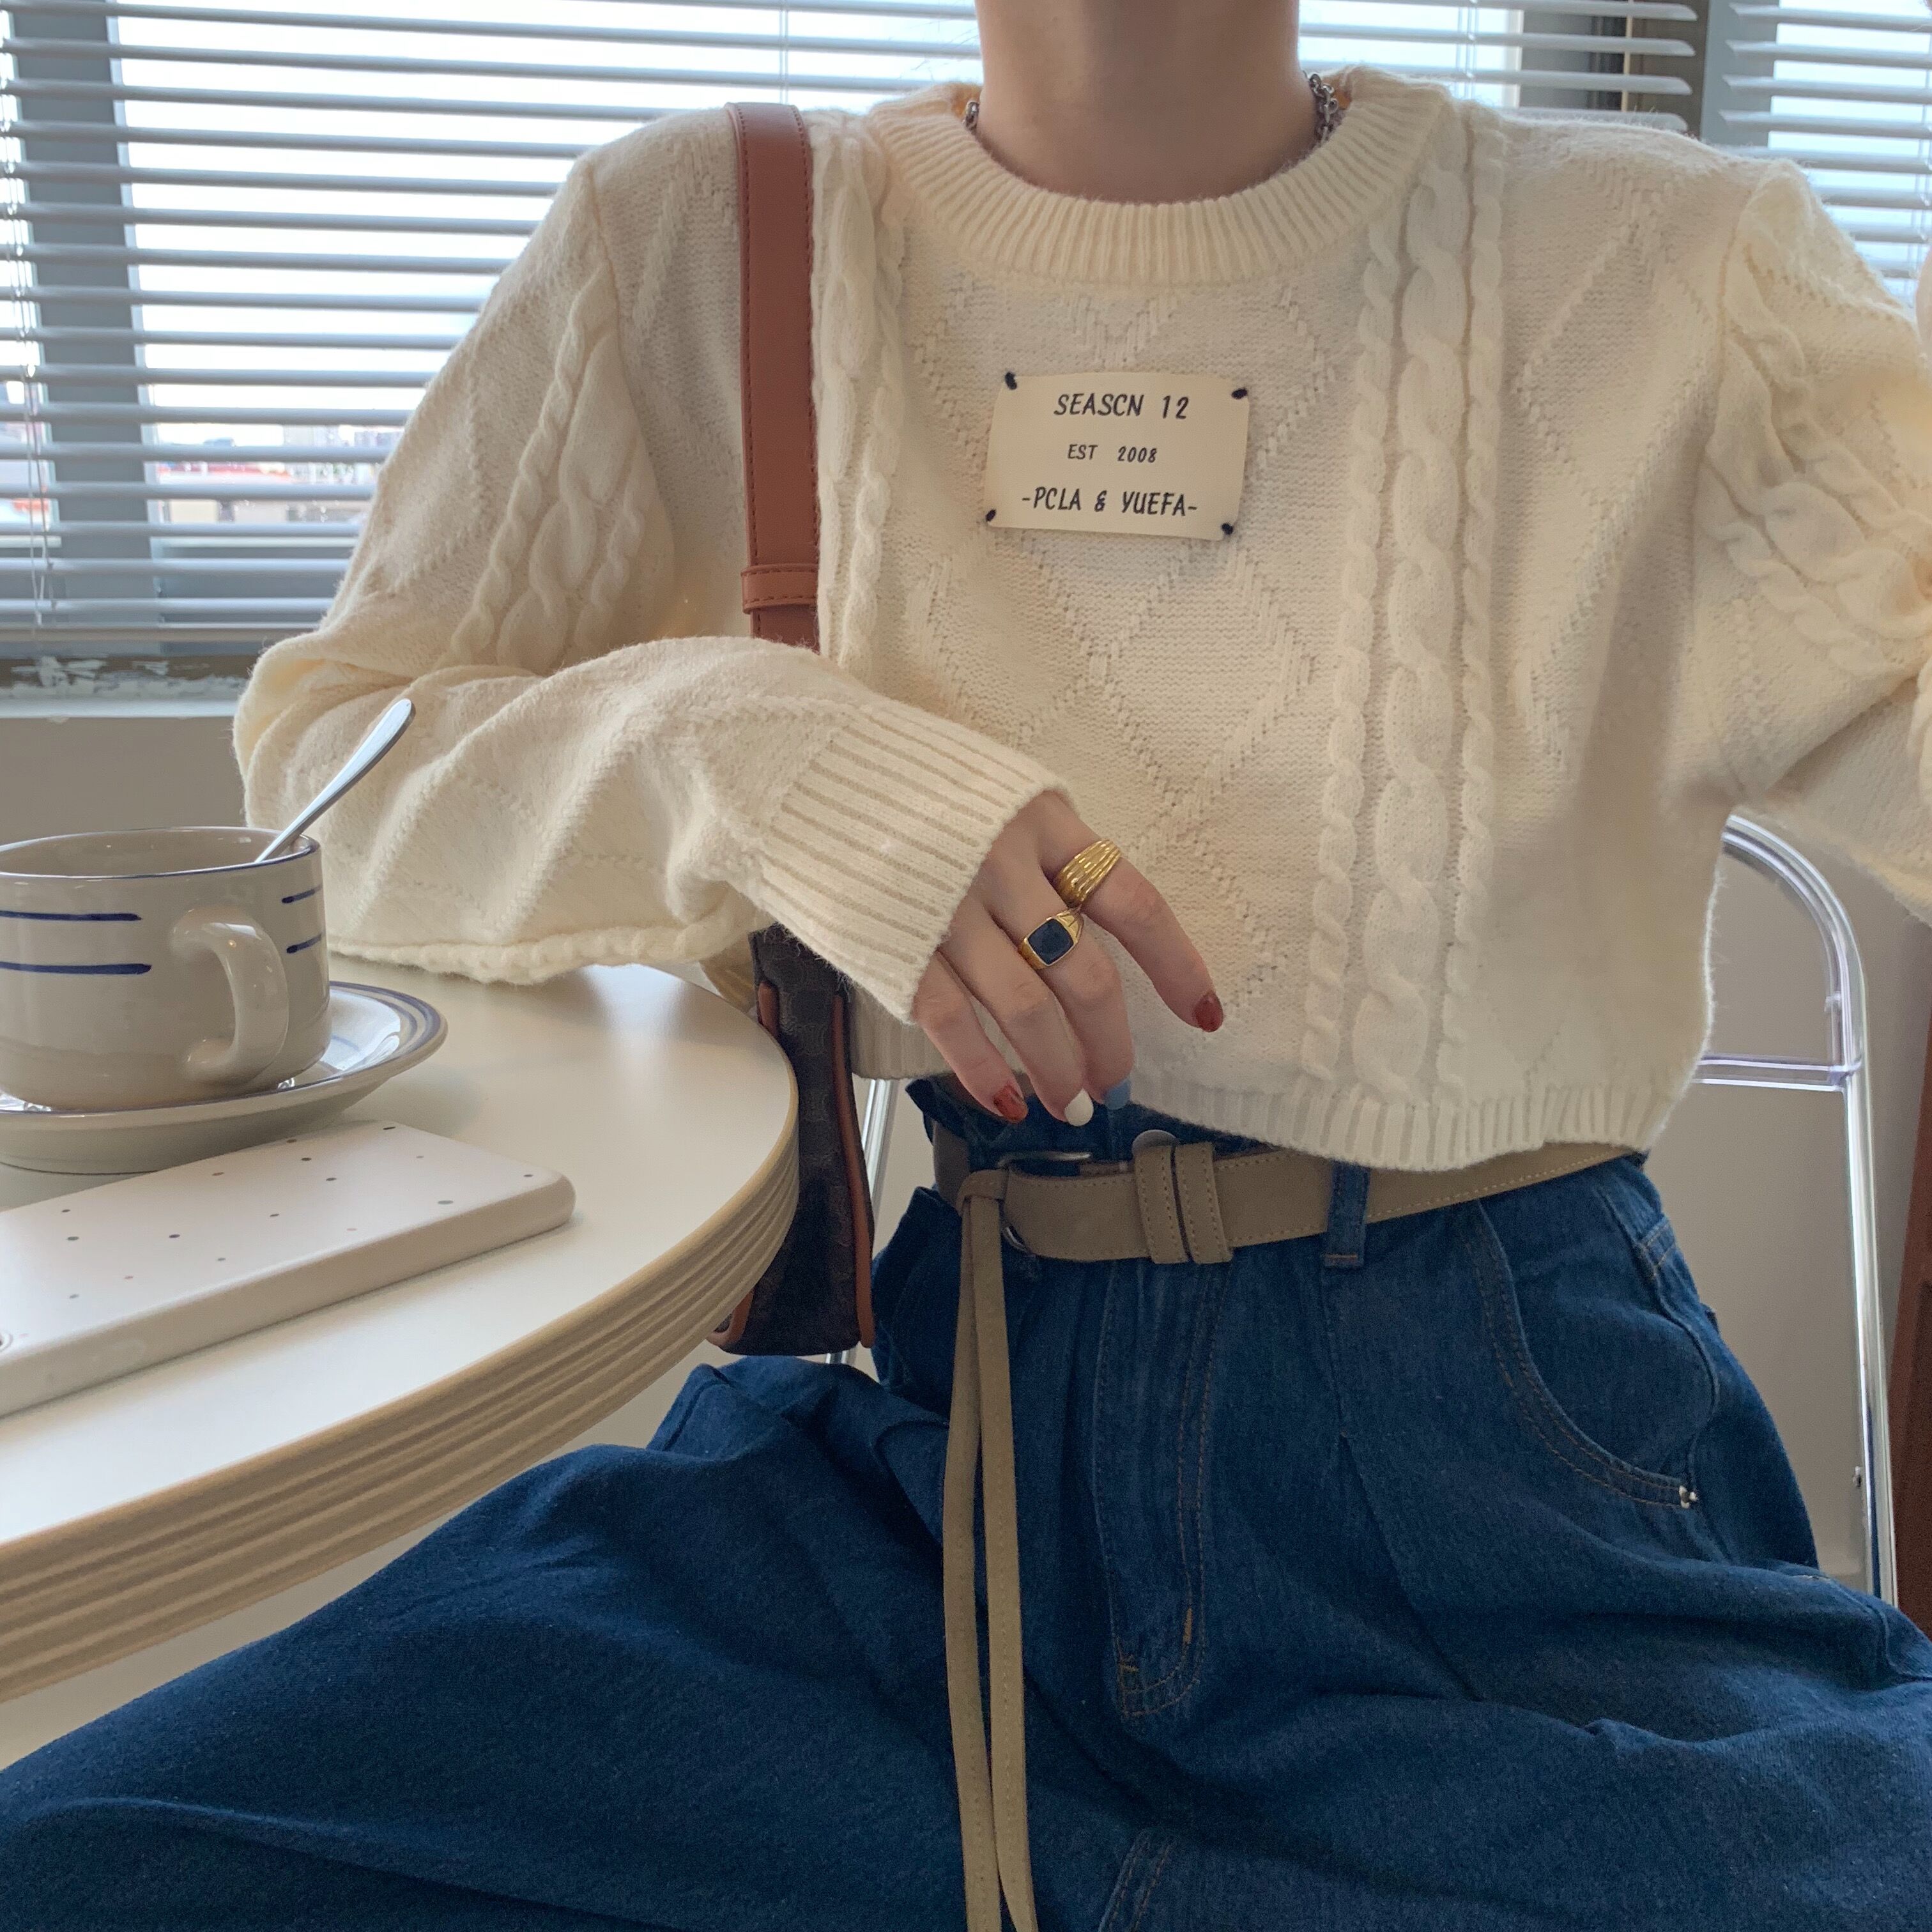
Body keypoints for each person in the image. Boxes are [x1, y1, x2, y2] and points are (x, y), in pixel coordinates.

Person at [6, 2, 1932, 1926]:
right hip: (937, 1464)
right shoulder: (699, 243)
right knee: (94, 1858)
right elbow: (325, 797)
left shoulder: (1676, 273)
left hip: (1515, 1481)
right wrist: (759, 757)